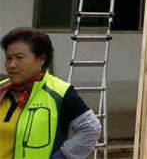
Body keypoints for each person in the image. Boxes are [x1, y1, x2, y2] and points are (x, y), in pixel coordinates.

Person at [0, 27, 101, 158]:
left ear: (41, 59)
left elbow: (91, 129)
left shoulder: (60, 92)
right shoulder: (2, 90)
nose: (12, 64)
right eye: (8, 58)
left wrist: (62, 156)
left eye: (19, 57)